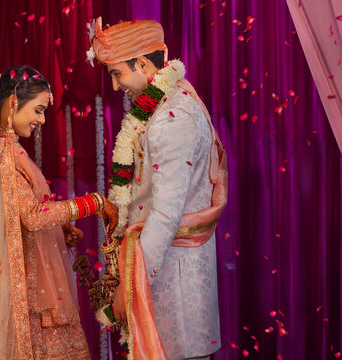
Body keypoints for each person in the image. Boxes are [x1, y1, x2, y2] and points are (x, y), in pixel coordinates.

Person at [0, 65, 118, 359]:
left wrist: (59, 228)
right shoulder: (2, 153)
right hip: (21, 278)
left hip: (31, 269)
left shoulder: (6, 148)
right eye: (39, 109)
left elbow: (21, 213)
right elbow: (33, 216)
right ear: (13, 102)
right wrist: (93, 203)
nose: (42, 120)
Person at [89, 18, 228, 359]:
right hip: (170, 274)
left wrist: (128, 288)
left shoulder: (172, 118)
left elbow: (166, 215)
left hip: (175, 283)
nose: (115, 84)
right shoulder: (172, 101)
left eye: (116, 72)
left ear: (141, 63)